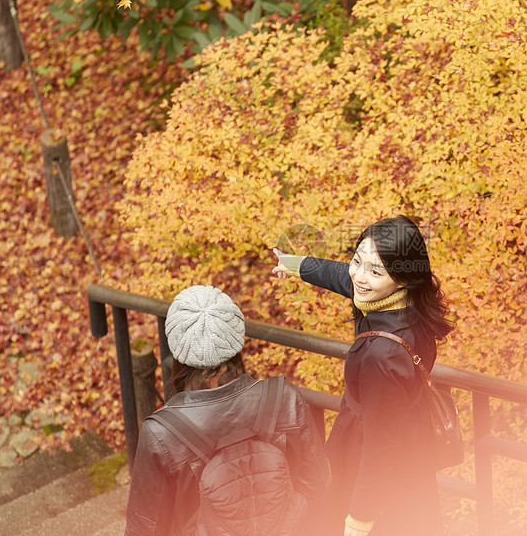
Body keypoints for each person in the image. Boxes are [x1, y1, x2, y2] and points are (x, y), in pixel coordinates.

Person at [272, 215, 455, 536]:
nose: (359, 275)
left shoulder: (381, 355)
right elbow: (346, 276)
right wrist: (296, 265)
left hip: (368, 464)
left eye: (375, 270)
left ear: (401, 276)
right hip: (411, 443)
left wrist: (359, 518)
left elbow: (379, 447)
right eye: (357, 260)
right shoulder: (410, 303)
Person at [124, 285, 332, 536]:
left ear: (177, 348)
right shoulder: (284, 398)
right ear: (236, 339)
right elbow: (318, 484)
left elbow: (145, 527)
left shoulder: (160, 433)